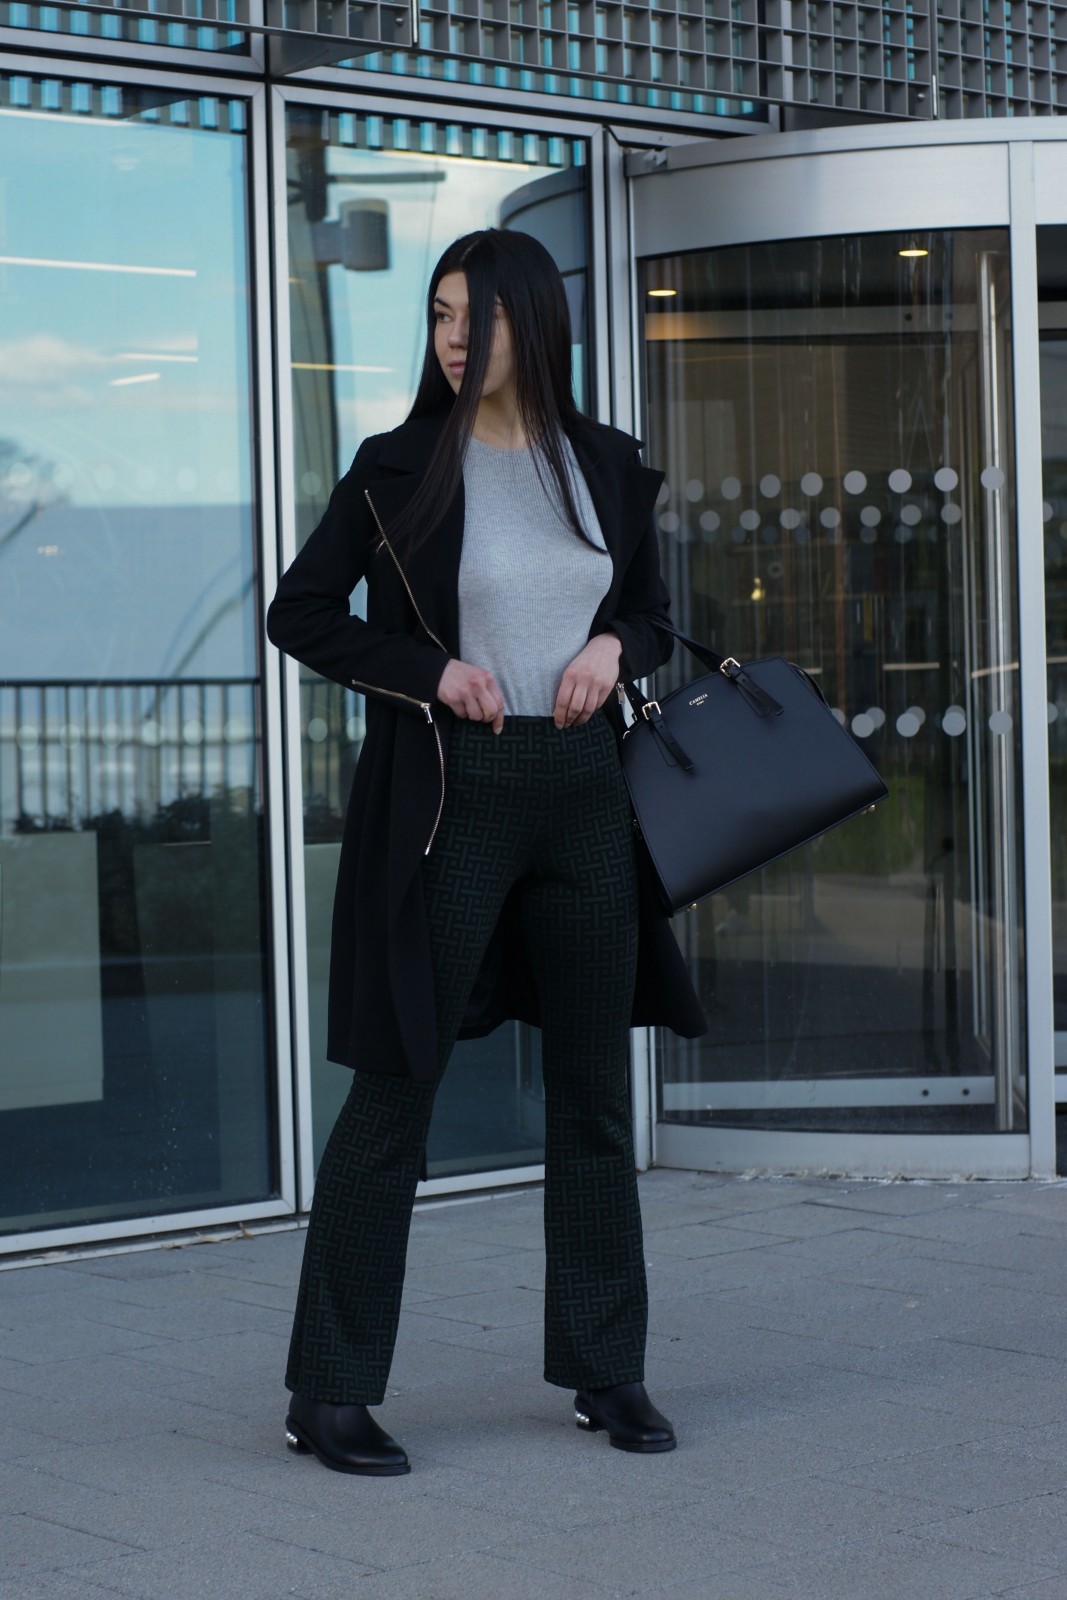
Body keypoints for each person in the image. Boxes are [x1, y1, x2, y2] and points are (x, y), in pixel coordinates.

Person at [267, 227, 706, 1477]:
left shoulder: (607, 467)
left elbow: (649, 615)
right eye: (439, 315)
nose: (456, 338)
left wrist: (611, 648)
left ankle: (605, 1371)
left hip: (580, 794)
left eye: (479, 316)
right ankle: (329, 1390)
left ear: (534, 323)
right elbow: (298, 611)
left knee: (589, 1094)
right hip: (451, 795)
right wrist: (427, 670)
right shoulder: (393, 469)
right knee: (395, 1092)